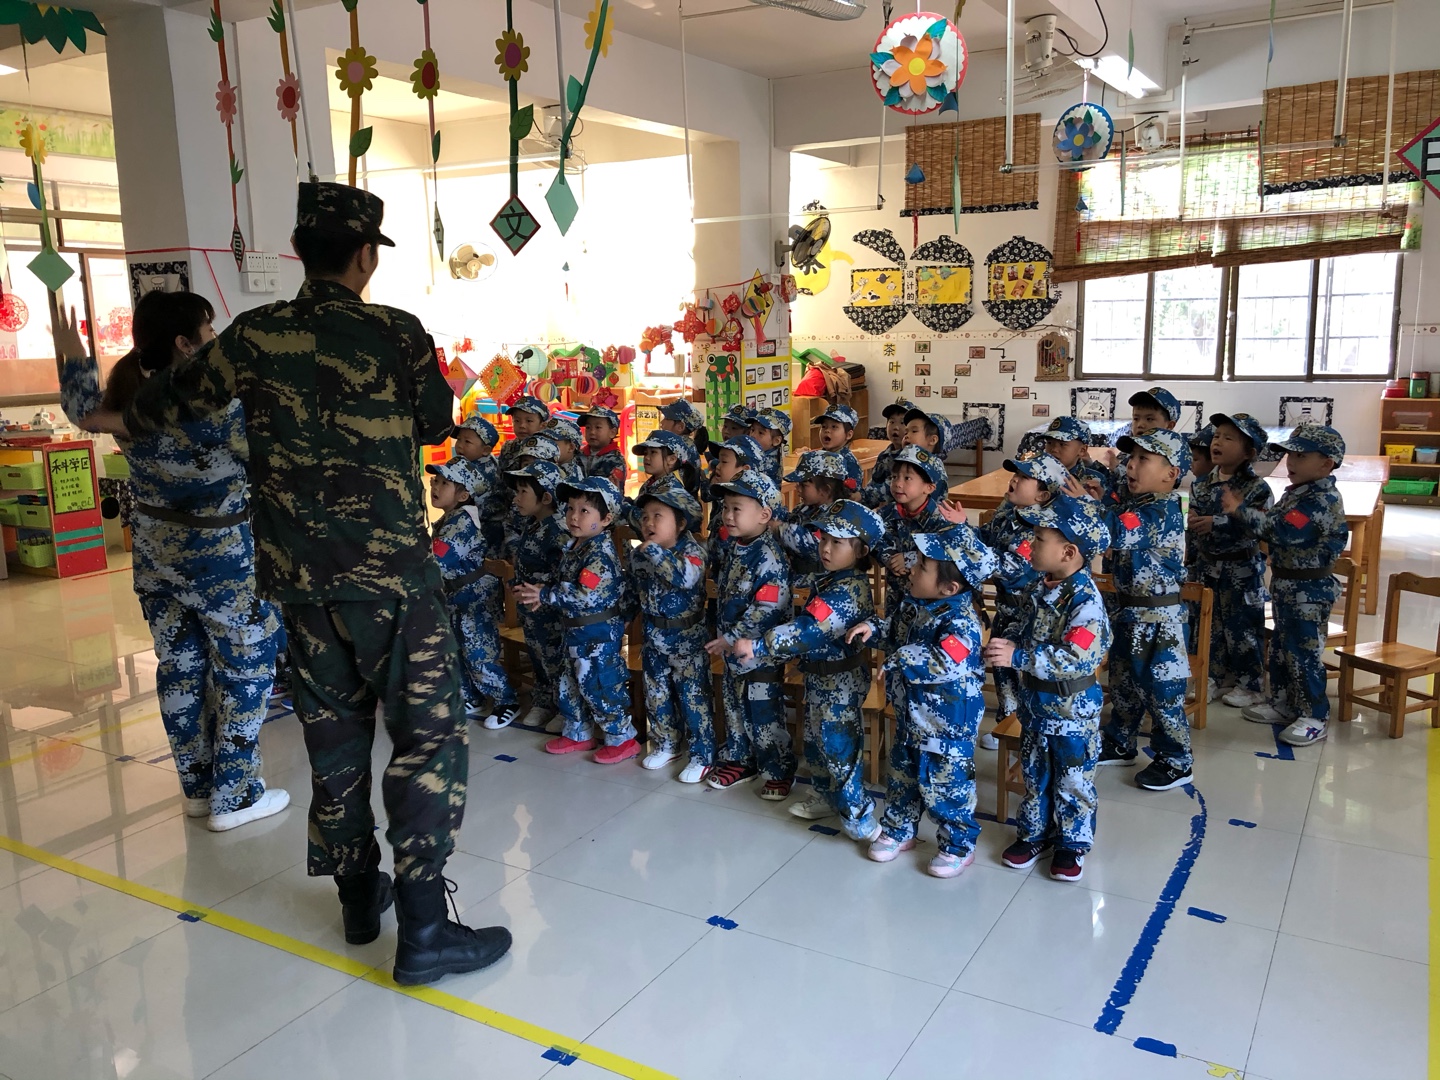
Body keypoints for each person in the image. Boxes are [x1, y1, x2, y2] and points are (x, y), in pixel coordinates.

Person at [81, 182, 510, 985]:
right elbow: (436, 424)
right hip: (392, 581)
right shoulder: (397, 332)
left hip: (300, 586)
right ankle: (424, 932)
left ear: (300, 251)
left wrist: (100, 415)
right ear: (365, 256)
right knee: (426, 740)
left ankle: (359, 900)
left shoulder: (252, 335)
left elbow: (163, 403)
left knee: (335, 739)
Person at [55, 292, 288, 834]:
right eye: (209, 329)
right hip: (222, 562)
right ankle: (236, 794)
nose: (215, 336)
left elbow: (84, 414)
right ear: (185, 344)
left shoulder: (129, 396)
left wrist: (75, 363)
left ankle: (198, 790)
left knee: (180, 670)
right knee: (246, 667)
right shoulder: (215, 409)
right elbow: (279, 457)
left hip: (156, 558)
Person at [850, 523, 997, 878]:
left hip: (946, 725)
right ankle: (899, 828)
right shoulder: (916, 605)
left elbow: (946, 660)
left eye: (922, 566)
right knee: (902, 776)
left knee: (947, 786)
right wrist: (873, 629)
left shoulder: (961, 620)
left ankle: (957, 845)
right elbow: (895, 632)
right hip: (910, 716)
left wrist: (900, 658)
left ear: (949, 587)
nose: (912, 569)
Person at [733, 500, 883, 842]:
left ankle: (860, 818)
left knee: (839, 749)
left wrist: (759, 646)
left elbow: (808, 631)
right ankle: (825, 796)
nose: (826, 548)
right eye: (824, 539)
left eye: (838, 543)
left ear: (861, 551)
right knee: (816, 742)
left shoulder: (847, 591)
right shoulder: (830, 577)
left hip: (840, 682)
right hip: (820, 677)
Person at [985, 495, 1112, 882]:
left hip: (1072, 710)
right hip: (1037, 705)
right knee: (1035, 774)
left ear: (1068, 552)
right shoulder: (1040, 588)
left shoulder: (1085, 600)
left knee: (1073, 779)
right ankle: (1033, 834)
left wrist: (1019, 656)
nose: (1030, 544)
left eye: (1039, 539)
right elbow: (1025, 629)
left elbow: (1077, 657)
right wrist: (1002, 644)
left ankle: (1072, 843)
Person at [1073, 429, 1194, 792]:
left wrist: (1085, 504)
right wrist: (1100, 502)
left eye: (1144, 459)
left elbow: (1113, 530)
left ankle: (1177, 760)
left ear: (1171, 473)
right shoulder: (1138, 505)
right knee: (1124, 684)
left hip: (1160, 621)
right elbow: (1117, 518)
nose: (1131, 466)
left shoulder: (1163, 510)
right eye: (1131, 458)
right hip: (1131, 613)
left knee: (1162, 692)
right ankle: (1120, 741)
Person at [1222, 423, 1349, 746]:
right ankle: (1283, 703)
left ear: (1327, 463)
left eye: (1301, 456)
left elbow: (1281, 531)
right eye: (1290, 455)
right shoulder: (1297, 494)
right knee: (1281, 648)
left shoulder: (1321, 500)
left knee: (1303, 653)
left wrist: (1240, 511)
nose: (1291, 461)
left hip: (1309, 590)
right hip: (1287, 585)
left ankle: (1314, 716)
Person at [514, 476, 638, 762]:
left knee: (599, 685)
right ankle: (578, 732)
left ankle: (622, 739)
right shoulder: (576, 546)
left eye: (584, 511)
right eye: (570, 508)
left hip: (596, 634)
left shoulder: (599, 554)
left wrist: (546, 594)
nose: (573, 516)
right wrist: (542, 592)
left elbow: (585, 594)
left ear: (606, 519)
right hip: (573, 632)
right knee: (569, 682)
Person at [704, 469, 795, 796]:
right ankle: (741, 760)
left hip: (760, 654)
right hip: (733, 652)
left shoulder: (768, 556)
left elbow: (766, 609)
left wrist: (733, 636)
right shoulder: (736, 547)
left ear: (764, 515)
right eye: (725, 508)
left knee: (764, 714)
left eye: (736, 509)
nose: (727, 515)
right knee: (734, 707)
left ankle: (777, 769)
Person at [977, 453, 1067, 750]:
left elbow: (1010, 567)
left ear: (1042, 495)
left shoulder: (1042, 529)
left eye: (1024, 478)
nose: (1014, 480)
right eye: (1015, 475)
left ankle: (1026, 731)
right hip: (1005, 608)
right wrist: (961, 529)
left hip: (1028, 613)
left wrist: (967, 552)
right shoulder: (1009, 513)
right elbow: (985, 537)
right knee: (1002, 669)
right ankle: (1007, 722)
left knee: (1021, 671)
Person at [630, 485, 714, 781]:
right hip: (653, 637)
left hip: (687, 640)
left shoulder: (693, 551)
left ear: (680, 523)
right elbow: (634, 592)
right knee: (657, 694)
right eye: (644, 517)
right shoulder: (640, 555)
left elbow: (684, 578)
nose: (648, 523)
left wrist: (654, 551)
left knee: (693, 698)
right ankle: (667, 743)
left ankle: (702, 754)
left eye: (658, 516)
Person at [1189, 413, 1273, 709]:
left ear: (1249, 452)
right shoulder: (1202, 484)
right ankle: (1211, 677)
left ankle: (1250, 684)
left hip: (1241, 569)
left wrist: (1218, 523)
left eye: (1229, 438)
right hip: (1208, 567)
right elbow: (1195, 516)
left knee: (1243, 627)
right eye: (1216, 436)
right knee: (1208, 626)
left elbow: (1261, 527)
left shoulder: (1256, 488)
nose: (1218, 442)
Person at [426, 460, 516, 730]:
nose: (435, 486)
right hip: (457, 596)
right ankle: (471, 696)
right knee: (456, 649)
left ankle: (506, 701)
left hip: (474, 599)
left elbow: (436, 562)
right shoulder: (449, 519)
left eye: (445, 483)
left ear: (463, 495)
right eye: (435, 481)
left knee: (478, 653)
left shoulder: (461, 523)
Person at [503, 461, 569, 732]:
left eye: (523, 492)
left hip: (550, 610)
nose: (516, 498)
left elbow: (563, 574)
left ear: (546, 498)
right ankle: (543, 701)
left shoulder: (558, 531)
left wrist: (541, 589)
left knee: (555, 658)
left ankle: (564, 708)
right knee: (538, 655)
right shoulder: (533, 524)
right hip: (532, 610)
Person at [873, 444, 951, 605]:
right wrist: (889, 558)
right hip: (896, 596)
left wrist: (910, 559)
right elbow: (875, 540)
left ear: (929, 487)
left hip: (930, 600)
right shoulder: (885, 514)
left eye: (907, 478)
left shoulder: (942, 519)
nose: (898, 483)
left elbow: (950, 551)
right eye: (894, 477)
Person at [775, 450, 849, 591]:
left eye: (804, 485)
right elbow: (790, 520)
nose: (797, 489)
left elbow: (817, 545)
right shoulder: (804, 508)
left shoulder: (839, 516)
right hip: (795, 574)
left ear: (825, 490)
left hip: (820, 583)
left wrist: (781, 529)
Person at [860, 399, 915, 508]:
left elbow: (891, 487)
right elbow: (875, 482)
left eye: (902, 423)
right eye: (892, 422)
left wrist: (862, 496)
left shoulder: (911, 457)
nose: (895, 427)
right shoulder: (884, 455)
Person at [812, 403, 863, 493]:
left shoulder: (849, 462)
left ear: (848, 434)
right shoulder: (817, 456)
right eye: (824, 426)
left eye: (834, 427)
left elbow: (852, 495)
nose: (827, 430)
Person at [576, 405, 626, 487]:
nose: (592, 432)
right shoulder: (579, 454)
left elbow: (612, 489)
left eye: (598, 427)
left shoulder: (615, 460)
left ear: (612, 432)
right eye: (588, 427)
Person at [748, 408, 791, 487]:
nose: (753, 435)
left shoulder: (769, 463)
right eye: (752, 430)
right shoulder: (758, 454)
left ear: (776, 441)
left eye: (760, 433)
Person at [545, 415, 586, 485]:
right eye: (545, 440)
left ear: (571, 447)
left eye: (552, 443)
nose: (546, 445)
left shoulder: (572, 472)